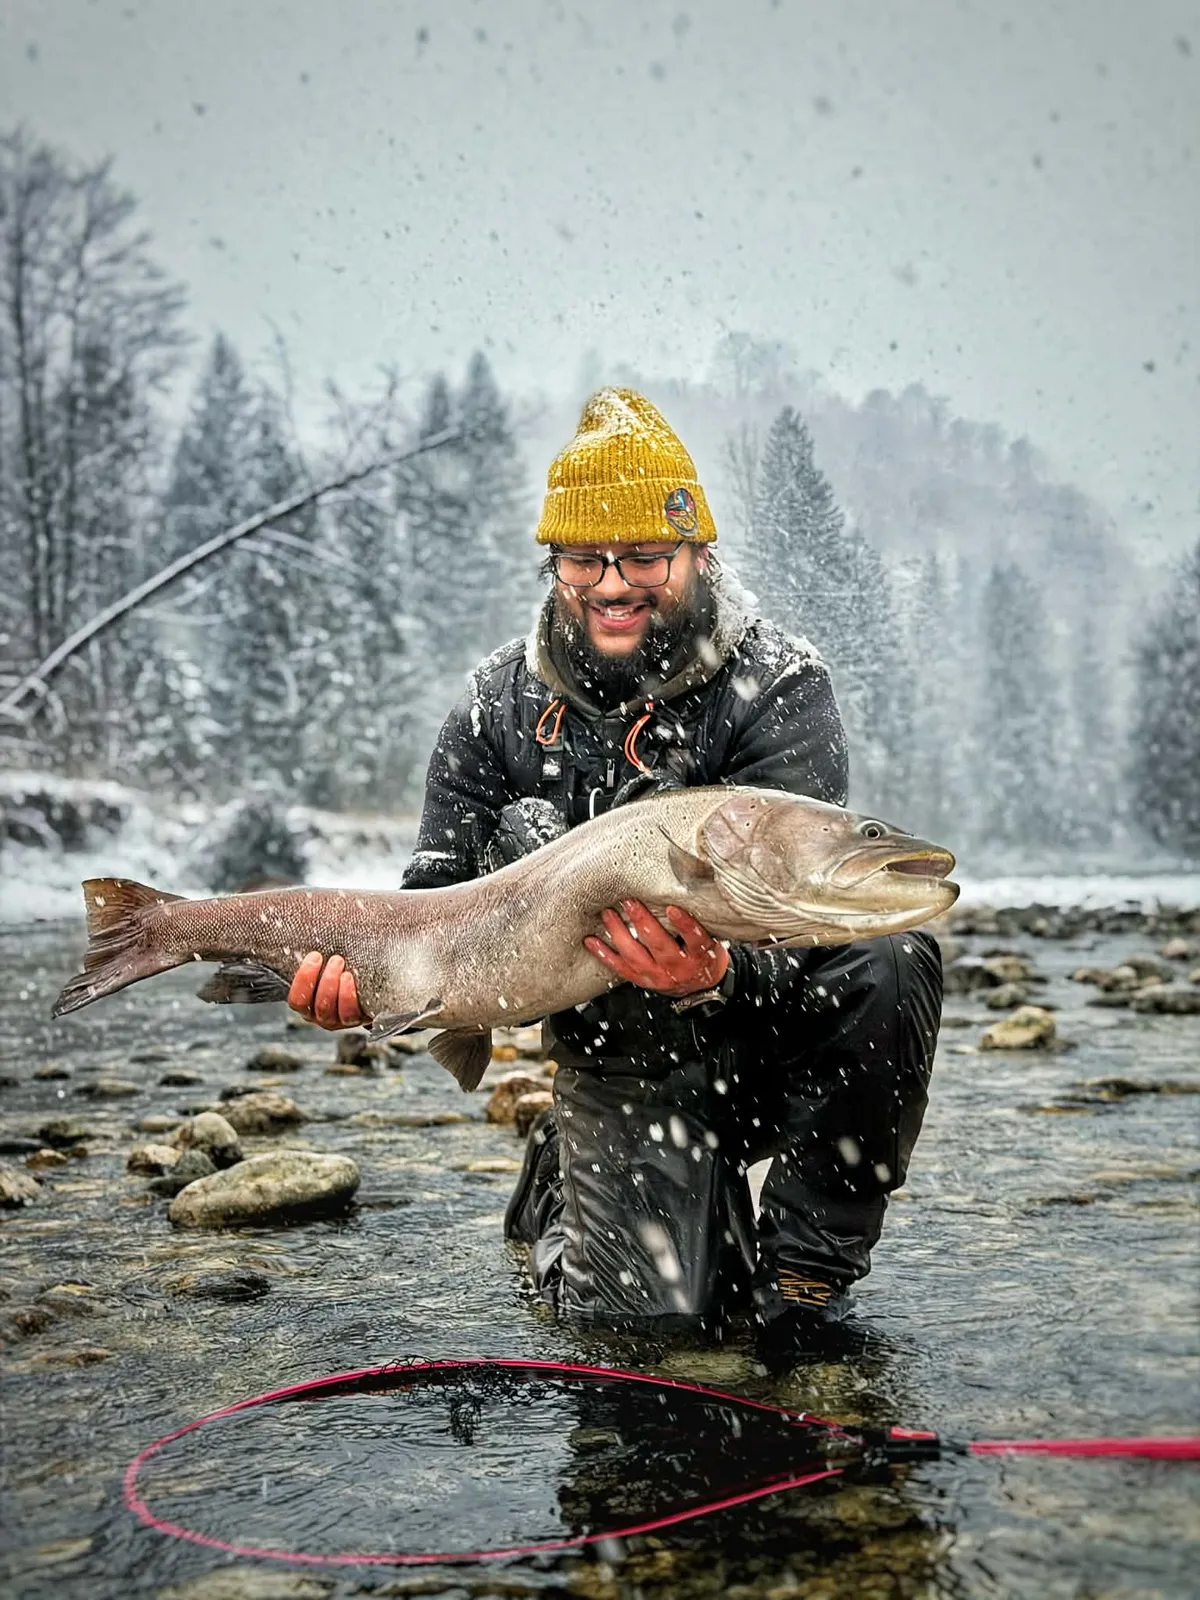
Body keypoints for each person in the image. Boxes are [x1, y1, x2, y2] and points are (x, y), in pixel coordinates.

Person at [289, 387, 943, 1360]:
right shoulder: (492, 707)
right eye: (585, 557)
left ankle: (807, 1269)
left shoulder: (780, 687)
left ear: (699, 555)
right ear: (554, 561)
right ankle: (567, 1175)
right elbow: (428, 902)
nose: (612, 582)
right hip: (622, 1054)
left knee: (893, 955)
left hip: (768, 1034)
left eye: (645, 555)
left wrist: (718, 976)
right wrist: (363, 987)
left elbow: (814, 923)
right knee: (654, 1333)